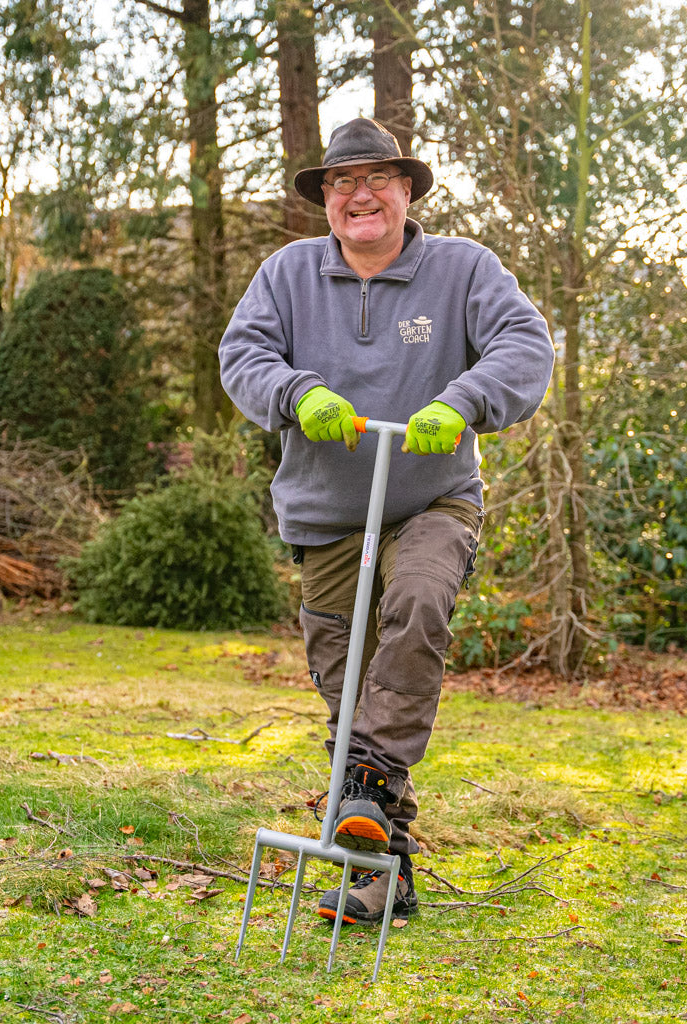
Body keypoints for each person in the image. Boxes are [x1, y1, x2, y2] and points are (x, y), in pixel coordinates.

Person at [218, 117, 554, 926]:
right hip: (329, 517)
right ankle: (383, 874)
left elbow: (524, 343)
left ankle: (365, 787)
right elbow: (244, 356)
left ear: (407, 190)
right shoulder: (286, 274)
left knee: (420, 600)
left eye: (377, 179)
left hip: (430, 498)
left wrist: (464, 400)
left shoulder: (465, 270)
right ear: (326, 200)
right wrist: (297, 393)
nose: (359, 194)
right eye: (342, 182)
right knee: (351, 692)